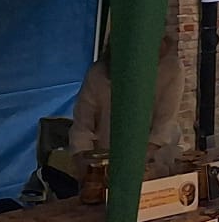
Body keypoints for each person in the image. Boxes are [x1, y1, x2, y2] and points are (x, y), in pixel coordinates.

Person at [65, 33, 185, 175]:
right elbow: (82, 129)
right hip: (106, 164)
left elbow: (164, 128)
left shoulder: (171, 69)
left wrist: (136, 166)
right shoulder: (97, 74)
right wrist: (87, 167)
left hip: (154, 165)